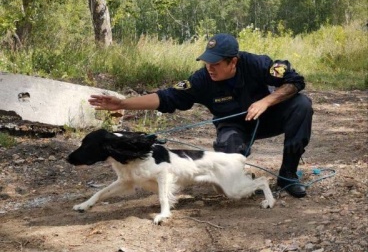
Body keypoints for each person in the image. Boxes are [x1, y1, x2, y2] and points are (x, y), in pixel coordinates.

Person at [89, 33, 313, 198]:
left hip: (267, 116)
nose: (210, 69)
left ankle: (287, 176)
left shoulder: (256, 63)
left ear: (233, 61)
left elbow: (295, 81)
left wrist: (266, 101)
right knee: (227, 166)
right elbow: (166, 97)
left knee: (301, 104)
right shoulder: (201, 79)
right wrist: (123, 103)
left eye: (215, 64)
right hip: (234, 127)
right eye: (207, 63)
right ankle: (243, 181)